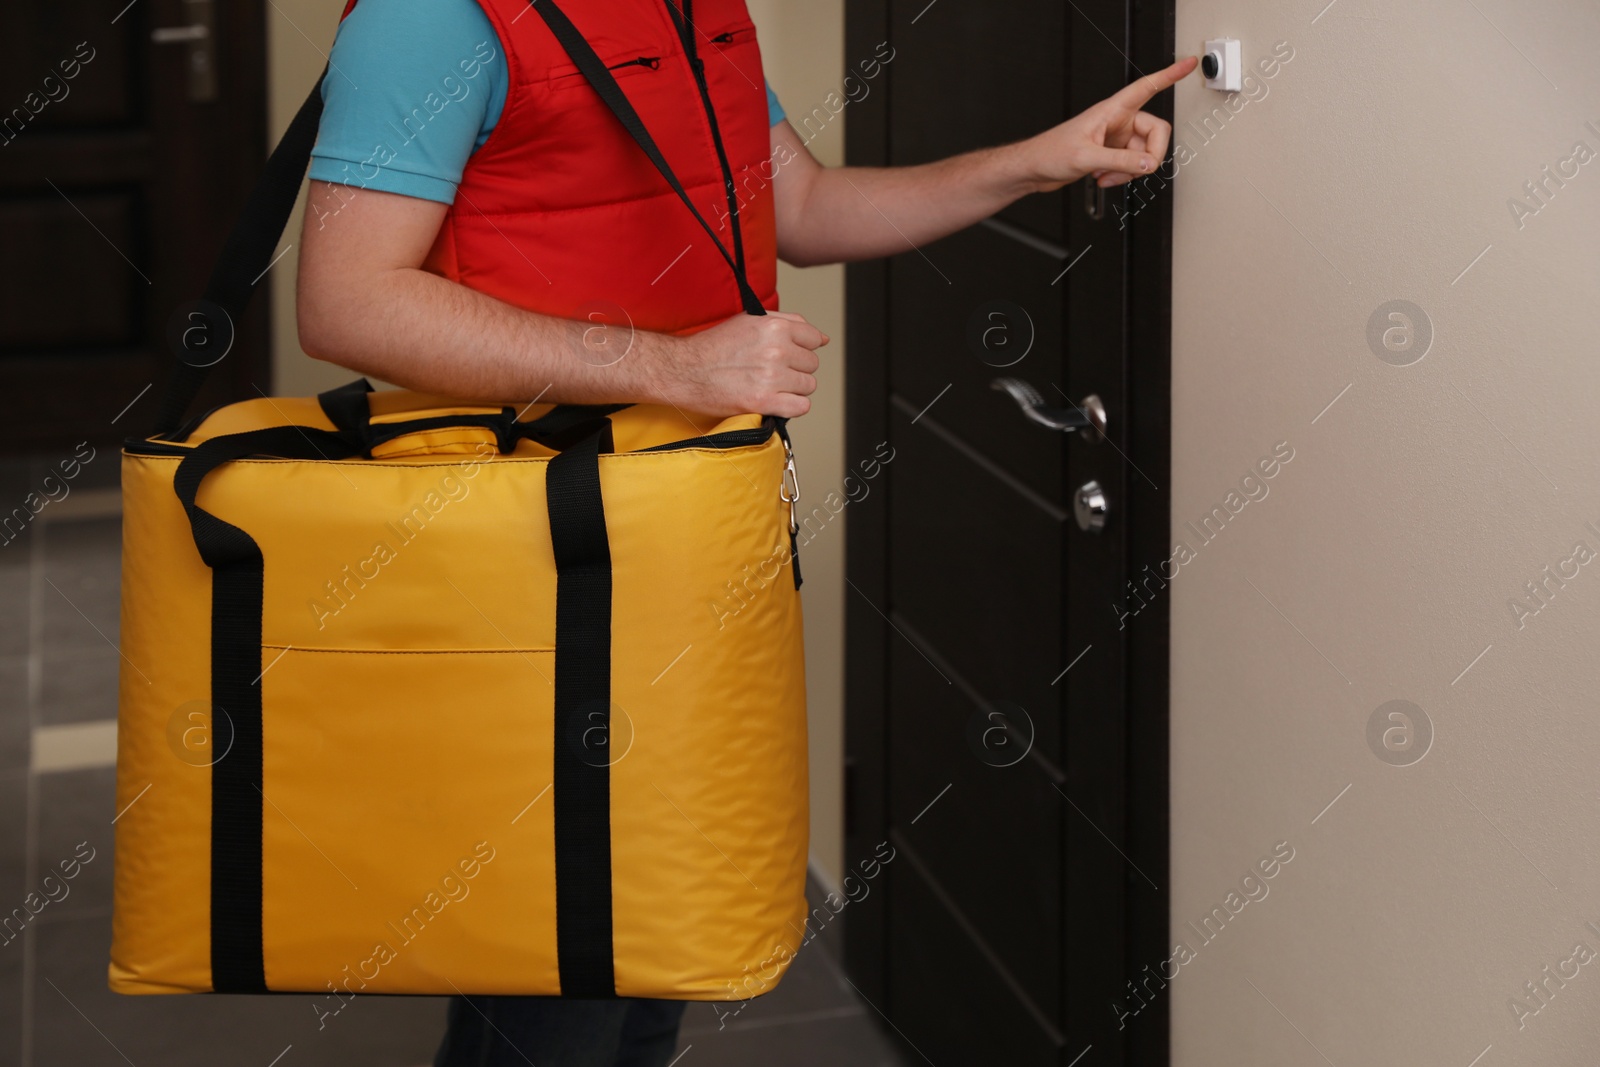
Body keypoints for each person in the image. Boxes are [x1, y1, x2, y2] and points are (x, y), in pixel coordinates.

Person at [296, 1, 1193, 1062]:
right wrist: (671, 367)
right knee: (561, 968)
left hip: (692, 547)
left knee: (657, 947)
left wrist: (1030, 164)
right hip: (534, 577)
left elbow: (799, 206)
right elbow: (345, 302)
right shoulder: (430, 19)